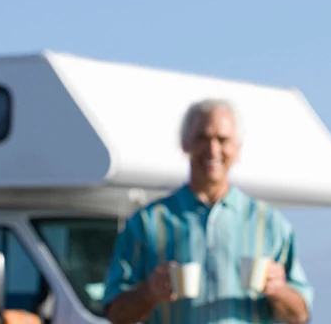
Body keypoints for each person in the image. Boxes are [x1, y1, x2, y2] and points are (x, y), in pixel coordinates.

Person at [102, 99, 313, 324]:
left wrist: (279, 291)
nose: (213, 149)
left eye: (223, 140)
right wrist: (149, 292)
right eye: (202, 138)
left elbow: (300, 316)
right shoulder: (147, 223)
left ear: (237, 149)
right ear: (185, 144)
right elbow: (116, 314)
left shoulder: (269, 223)